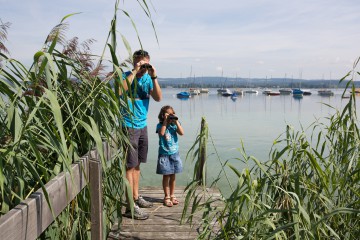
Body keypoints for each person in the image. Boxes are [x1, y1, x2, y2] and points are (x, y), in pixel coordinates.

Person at [121, 50, 162, 220]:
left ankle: (136, 198)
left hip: (142, 125)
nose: (142, 67)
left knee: (137, 164)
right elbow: (119, 91)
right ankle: (130, 206)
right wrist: (133, 71)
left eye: (145, 64)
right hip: (128, 125)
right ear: (134, 62)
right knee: (129, 166)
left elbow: (158, 98)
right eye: (139, 63)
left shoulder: (148, 78)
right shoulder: (125, 75)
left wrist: (153, 76)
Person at [156, 105, 184, 207]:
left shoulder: (174, 125)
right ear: (163, 115)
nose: (170, 117)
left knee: (173, 176)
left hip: (174, 153)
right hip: (164, 154)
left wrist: (176, 121)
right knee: (166, 176)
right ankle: (166, 196)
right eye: (168, 114)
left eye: (171, 114)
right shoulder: (160, 125)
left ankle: (172, 195)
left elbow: (182, 133)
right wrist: (165, 122)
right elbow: (162, 133)